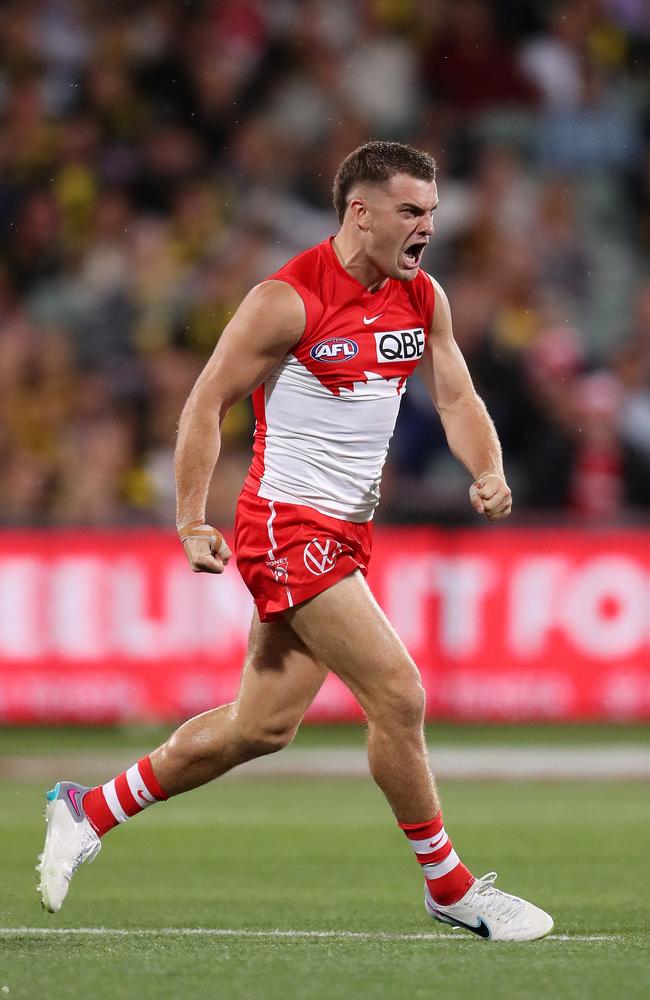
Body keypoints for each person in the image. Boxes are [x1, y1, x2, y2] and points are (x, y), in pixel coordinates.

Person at [38, 140, 553, 941]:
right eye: (412, 212)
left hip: (345, 531)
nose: (427, 228)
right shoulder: (288, 298)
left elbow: (457, 395)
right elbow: (205, 403)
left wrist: (485, 466)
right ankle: (449, 886)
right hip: (284, 525)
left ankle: (87, 810)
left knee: (262, 726)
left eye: (433, 213)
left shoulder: (422, 296)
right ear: (362, 212)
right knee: (400, 694)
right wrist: (188, 516)